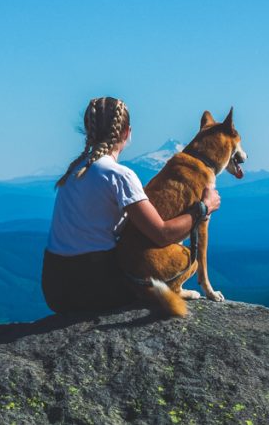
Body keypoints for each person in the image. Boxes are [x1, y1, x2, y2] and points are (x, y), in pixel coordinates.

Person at [41, 96, 221, 313]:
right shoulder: (118, 175)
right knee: (188, 257)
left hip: (54, 289)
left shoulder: (74, 171)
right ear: (126, 131)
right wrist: (204, 208)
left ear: (88, 131)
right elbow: (162, 234)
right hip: (96, 288)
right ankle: (171, 292)